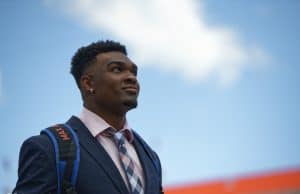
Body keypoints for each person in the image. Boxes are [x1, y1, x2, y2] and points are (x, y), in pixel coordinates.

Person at [13, 40, 163, 194]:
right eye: (117, 69)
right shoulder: (49, 149)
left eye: (134, 72)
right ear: (88, 83)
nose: (131, 77)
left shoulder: (150, 157)